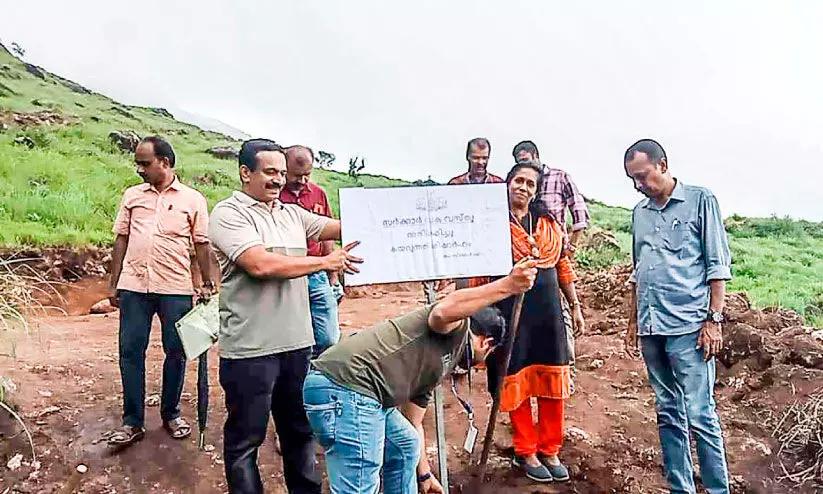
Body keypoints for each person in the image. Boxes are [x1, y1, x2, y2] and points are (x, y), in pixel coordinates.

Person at [303, 258, 539, 494]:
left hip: (358, 393)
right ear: (485, 342)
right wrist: (508, 285)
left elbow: (413, 422)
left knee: (405, 444)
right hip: (346, 388)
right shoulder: (457, 328)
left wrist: (425, 476)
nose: (482, 361)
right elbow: (443, 310)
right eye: (489, 353)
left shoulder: (437, 366)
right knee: (359, 487)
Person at [208, 139, 362, 494]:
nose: (278, 180)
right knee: (246, 441)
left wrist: (393, 215)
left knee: (299, 433)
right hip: (250, 351)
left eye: (281, 173)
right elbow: (259, 264)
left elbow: (340, 227)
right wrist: (324, 262)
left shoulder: (292, 214)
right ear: (245, 173)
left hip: (296, 347)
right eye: (270, 172)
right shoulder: (230, 214)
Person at [623, 139, 731, 494]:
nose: (639, 185)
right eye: (633, 180)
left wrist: (714, 320)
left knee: (700, 415)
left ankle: (717, 489)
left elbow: (717, 265)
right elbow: (638, 270)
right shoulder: (640, 212)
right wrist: (633, 321)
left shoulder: (701, 201)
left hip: (689, 327)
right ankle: (679, 488)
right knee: (668, 412)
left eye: (643, 176)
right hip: (652, 328)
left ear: (663, 165)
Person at [468, 161, 585, 483]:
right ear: (507, 184)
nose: (523, 187)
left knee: (552, 381)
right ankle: (526, 449)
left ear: (536, 192)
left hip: (547, 312)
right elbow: (477, 272)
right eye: (518, 180)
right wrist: (475, 315)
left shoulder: (548, 224)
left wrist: (574, 305)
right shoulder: (490, 225)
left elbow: (562, 266)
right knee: (514, 377)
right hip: (507, 312)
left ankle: (550, 448)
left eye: (530, 184)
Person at [107, 135, 215, 448]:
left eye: (145, 163)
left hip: (176, 288)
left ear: (165, 162)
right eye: (138, 162)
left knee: (176, 352)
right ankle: (132, 422)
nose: (138, 169)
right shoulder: (132, 195)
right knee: (130, 352)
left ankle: (171, 414)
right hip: (134, 286)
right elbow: (122, 239)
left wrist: (207, 283)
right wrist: (114, 282)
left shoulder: (193, 200)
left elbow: (202, 244)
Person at [512, 140, 589, 376]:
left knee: (558, 324)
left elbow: (579, 213)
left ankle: (567, 370)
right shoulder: (502, 223)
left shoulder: (559, 180)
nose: (524, 186)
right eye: (519, 175)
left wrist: (569, 248)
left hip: (554, 259)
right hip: (516, 293)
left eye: (530, 183)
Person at [281, 144, 342, 357]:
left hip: (316, 273)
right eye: (296, 175)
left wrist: (333, 278)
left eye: (307, 174)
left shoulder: (318, 194)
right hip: (284, 274)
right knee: (290, 337)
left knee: (328, 337)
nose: (303, 181)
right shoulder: (272, 195)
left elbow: (328, 237)